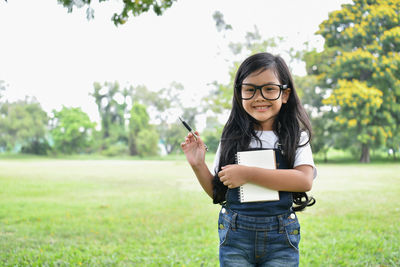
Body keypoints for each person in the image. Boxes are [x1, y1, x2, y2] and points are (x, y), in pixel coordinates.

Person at [181, 52, 316, 266]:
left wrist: (248, 174)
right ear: (239, 94)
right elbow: (218, 192)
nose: (259, 97)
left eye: (269, 89)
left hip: (281, 237)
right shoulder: (231, 138)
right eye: (250, 90)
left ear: (285, 94)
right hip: (235, 235)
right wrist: (198, 165)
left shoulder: (296, 136)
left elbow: (304, 180)